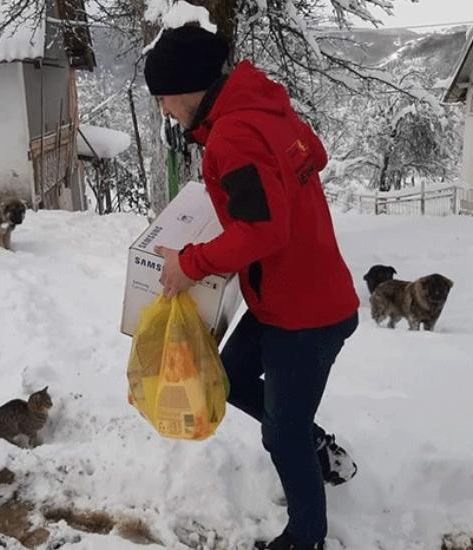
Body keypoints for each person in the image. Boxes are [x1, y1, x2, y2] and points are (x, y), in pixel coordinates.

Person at [143, 25, 361, 550]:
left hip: (306, 313)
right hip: (287, 295)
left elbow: (266, 229)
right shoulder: (264, 111)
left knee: (279, 434)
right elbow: (314, 155)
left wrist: (190, 264)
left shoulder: (234, 134)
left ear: (187, 87)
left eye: (165, 100)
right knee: (230, 377)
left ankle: (306, 536)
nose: (165, 111)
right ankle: (314, 444)